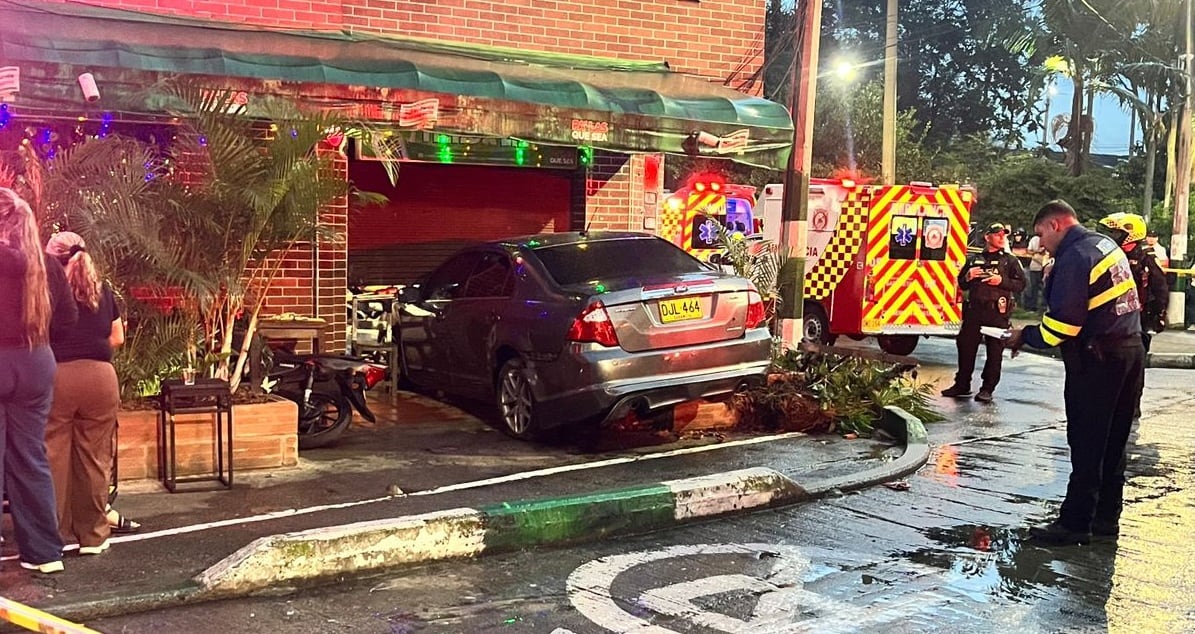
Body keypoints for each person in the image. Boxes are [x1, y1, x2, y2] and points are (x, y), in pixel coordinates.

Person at [1007, 200, 1144, 547]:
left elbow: (1063, 325)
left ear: (1055, 225)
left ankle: (1075, 523)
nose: (1040, 243)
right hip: (1128, 351)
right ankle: (1105, 519)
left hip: (1097, 359)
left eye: (1040, 234)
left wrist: (1026, 336)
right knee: (1113, 441)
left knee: (1087, 441)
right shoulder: (1104, 244)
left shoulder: (1075, 256)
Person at [0, 187, 77, 573]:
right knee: (31, 457)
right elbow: (67, 322)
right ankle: (45, 553)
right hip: (37, 361)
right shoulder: (45, 265)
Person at [44, 231, 124, 556]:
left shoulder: (46, 292)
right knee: (95, 458)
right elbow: (117, 336)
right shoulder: (102, 290)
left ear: (54, 259)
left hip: (57, 376)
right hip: (102, 378)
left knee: (53, 458)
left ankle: (53, 536)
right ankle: (93, 535)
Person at [942, 223, 1026, 403]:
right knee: (965, 347)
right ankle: (962, 385)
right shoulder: (974, 258)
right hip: (975, 311)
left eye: (1003, 235)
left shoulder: (1009, 260)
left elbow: (1021, 284)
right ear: (988, 237)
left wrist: (1001, 281)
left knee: (995, 351)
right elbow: (962, 284)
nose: (1002, 238)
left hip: (997, 312)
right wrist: (967, 277)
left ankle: (987, 388)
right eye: (997, 235)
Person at [1097, 213, 1168, 351]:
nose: (1113, 236)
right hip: (1108, 317)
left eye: (1117, 233)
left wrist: (1159, 315)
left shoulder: (1146, 259)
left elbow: (1160, 289)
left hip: (1136, 318)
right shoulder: (1108, 256)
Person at [1023, 233, 1048, 311]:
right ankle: (1033, 307)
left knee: (1045, 287)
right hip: (1034, 267)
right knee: (1034, 288)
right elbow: (1028, 251)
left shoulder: (1048, 237)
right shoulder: (1034, 239)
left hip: (1045, 267)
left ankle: (1044, 307)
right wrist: (1037, 251)